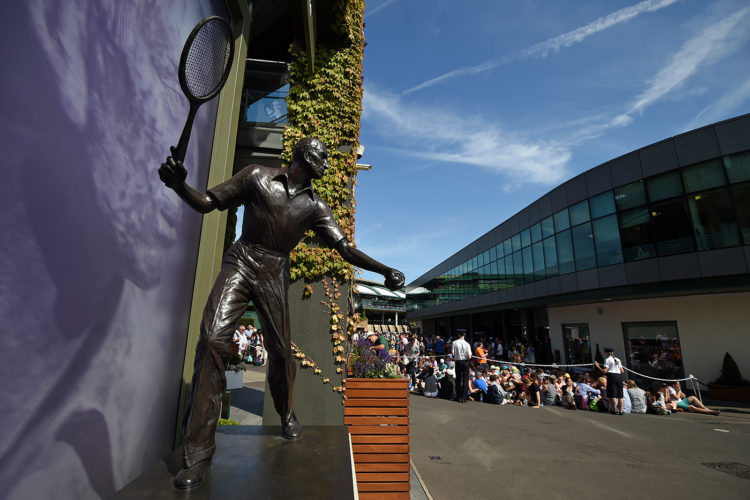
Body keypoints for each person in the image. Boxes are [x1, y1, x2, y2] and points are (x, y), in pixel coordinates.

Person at [159, 137, 405, 490]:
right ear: (305, 155)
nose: (325, 163)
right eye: (321, 156)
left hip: (275, 271)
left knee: (281, 352)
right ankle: (197, 454)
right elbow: (208, 201)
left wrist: (384, 270)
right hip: (241, 261)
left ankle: (286, 411)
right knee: (212, 340)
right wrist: (180, 185)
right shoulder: (257, 176)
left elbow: (345, 249)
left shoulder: (316, 206)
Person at [594, 347, 625, 415]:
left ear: (606, 353)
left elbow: (605, 371)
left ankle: (615, 409)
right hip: (619, 376)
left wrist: (597, 366)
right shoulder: (618, 359)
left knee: (613, 394)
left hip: (612, 376)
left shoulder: (607, 359)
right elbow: (622, 371)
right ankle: (621, 410)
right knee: (620, 395)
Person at [451, 330, 472, 403]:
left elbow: (453, 353)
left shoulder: (454, 342)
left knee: (458, 379)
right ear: (464, 334)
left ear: (458, 334)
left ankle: (458, 396)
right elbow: (469, 356)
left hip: (458, 361)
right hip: (465, 362)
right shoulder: (467, 344)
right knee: (465, 379)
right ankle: (464, 398)